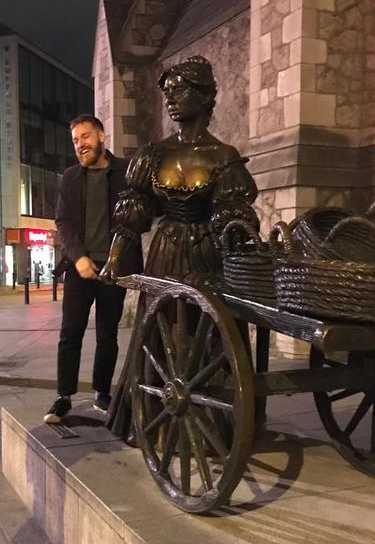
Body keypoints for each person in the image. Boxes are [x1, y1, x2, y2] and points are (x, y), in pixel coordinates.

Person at [99, 56, 259, 441]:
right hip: (167, 253)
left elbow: (233, 211)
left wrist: (235, 231)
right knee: (162, 330)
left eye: (180, 90)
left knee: (210, 335)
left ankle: (213, 428)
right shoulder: (155, 154)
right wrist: (114, 258)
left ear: (204, 97)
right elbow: (134, 212)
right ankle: (159, 423)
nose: (171, 99)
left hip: (208, 254)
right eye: (167, 92)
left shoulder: (223, 157)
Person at [43, 115, 143, 424]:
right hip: (80, 267)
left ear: (101, 135)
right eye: (75, 140)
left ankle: (102, 391)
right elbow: (64, 222)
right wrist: (79, 257)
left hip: (115, 267)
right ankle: (63, 396)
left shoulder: (127, 172)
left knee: (107, 334)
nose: (80, 145)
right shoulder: (71, 177)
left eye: (85, 137)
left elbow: (143, 214)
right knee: (70, 333)